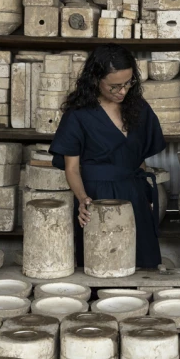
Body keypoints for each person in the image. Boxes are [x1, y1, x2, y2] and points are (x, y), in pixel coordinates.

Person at [50, 43, 166, 269]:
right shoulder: (78, 115)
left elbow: (139, 156)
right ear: (95, 79)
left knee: (143, 262)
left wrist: (145, 195)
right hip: (97, 197)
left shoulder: (138, 108)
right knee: (102, 263)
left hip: (134, 194)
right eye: (114, 86)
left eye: (128, 83)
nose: (122, 91)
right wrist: (83, 200)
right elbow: (71, 168)